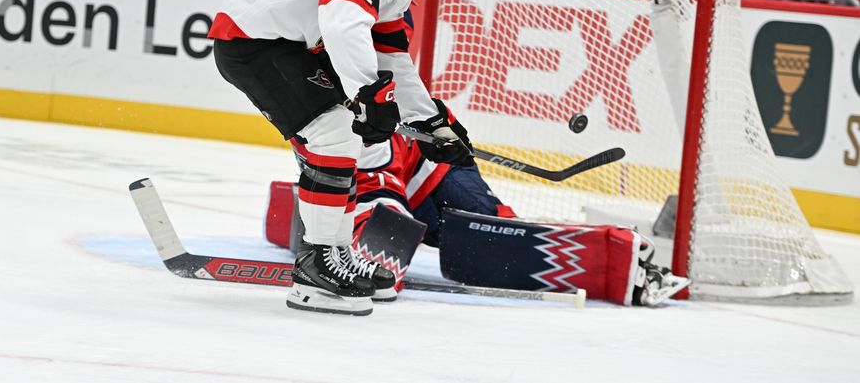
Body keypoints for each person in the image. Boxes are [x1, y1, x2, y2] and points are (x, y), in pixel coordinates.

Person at [209, 0, 465, 317]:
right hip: (253, 40)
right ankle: (317, 265)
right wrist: (370, 93)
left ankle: (335, 254)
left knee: (341, 135)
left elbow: (391, 57)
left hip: (287, 46)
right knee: (335, 134)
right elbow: (343, 21)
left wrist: (431, 120)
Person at [263, 131, 690, 306]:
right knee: (382, 271)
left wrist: (441, 127)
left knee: (500, 234)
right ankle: (314, 221)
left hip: (427, 166)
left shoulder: (370, 50)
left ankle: (627, 265)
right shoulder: (309, 96)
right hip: (373, 178)